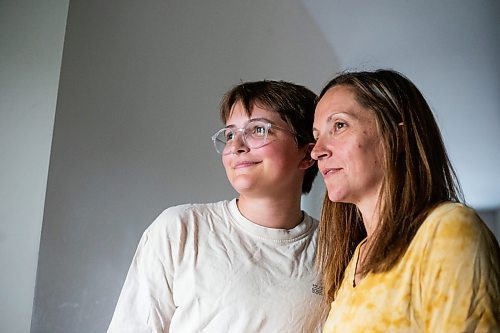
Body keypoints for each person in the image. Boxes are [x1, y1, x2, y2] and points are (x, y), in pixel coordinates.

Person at [107, 80, 325, 332]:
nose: (236, 146)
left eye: (258, 130)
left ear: (308, 154)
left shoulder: (336, 248)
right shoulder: (182, 229)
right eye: (230, 134)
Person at [311, 69, 500, 332]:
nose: (318, 151)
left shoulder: (447, 229)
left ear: (397, 136)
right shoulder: (353, 260)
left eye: (339, 125)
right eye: (316, 135)